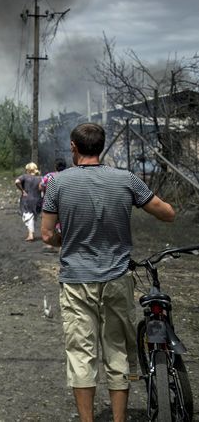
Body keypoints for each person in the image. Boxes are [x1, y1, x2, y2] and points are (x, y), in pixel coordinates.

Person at [41, 123, 175, 422]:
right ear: (101, 147)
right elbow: (167, 213)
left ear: (74, 147)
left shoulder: (57, 184)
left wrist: (68, 239)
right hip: (117, 278)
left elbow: (47, 235)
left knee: (81, 354)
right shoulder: (126, 179)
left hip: (76, 281)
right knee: (117, 351)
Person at [15, 162, 42, 242]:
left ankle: (31, 234)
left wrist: (22, 190)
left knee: (27, 216)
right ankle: (31, 233)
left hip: (27, 199)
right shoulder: (40, 178)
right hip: (38, 199)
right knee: (33, 216)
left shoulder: (24, 176)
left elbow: (17, 182)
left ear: (28, 170)